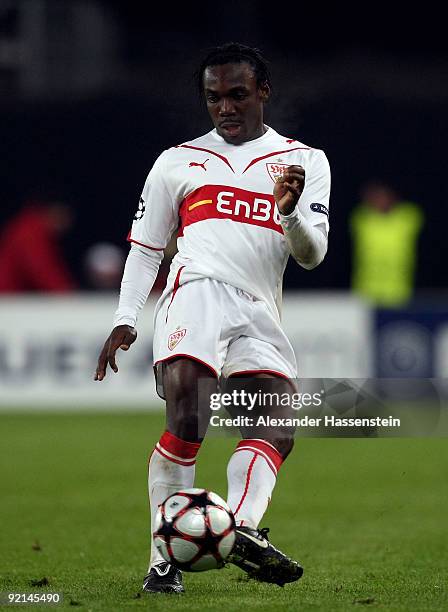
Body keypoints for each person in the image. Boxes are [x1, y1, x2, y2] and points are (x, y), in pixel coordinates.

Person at [95, 43, 330, 594]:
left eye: (237, 95)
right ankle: (163, 560)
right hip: (195, 292)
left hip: (259, 306)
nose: (224, 107)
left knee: (276, 423)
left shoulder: (305, 162)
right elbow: (147, 247)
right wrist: (126, 317)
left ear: (263, 93)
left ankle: (241, 531)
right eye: (213, 97)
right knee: (189, 410)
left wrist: (290, 213)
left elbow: (311, 254)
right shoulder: (177, 160)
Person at [350, 181, 423, 307]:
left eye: (384, 197)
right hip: (366, 289)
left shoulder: (406, 219)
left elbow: (413, 212)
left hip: (398, 290)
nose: (381, 201)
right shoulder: (363, 220)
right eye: (377, 197)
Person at [0, 199, 76, 292]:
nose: (66, 223)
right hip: (6, 296)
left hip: (14, 295)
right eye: (63, 216)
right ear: (52, 212)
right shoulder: (30, 232)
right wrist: (65, 292)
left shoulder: (36, 230)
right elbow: (41, 269)